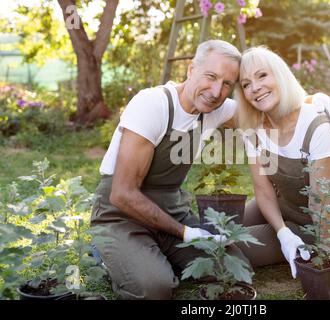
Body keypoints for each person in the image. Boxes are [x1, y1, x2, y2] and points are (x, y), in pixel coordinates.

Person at [90, 40, 252, 299]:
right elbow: (122, 194)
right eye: (210, 77)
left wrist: (316, 103)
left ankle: (155, 252)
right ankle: (106, 252)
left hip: (172, 212)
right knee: (155, 288)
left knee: (234, 268)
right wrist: (186, 233)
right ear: (191, 70)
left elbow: (267, 108)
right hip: (121, 215)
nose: (215, 91)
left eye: (226, 84)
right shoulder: (152, 105)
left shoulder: (216, 109)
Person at [233, 46, 330, 290]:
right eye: (246, 84)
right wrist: (281, 233)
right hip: (279, 206)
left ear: (280, 75)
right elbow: (263, 190)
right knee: (218, 228)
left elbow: (321, 202)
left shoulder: (316, 125)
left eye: (262, 76)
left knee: (229, 247)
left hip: (313, 223)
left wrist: (329, 263)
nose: (255, 88)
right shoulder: (254, 130)